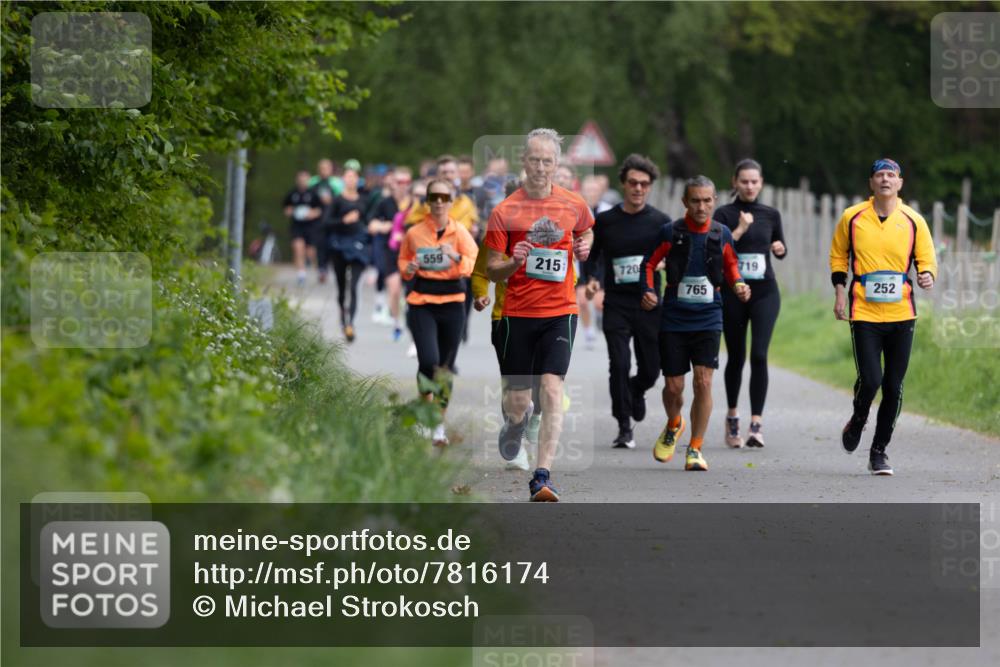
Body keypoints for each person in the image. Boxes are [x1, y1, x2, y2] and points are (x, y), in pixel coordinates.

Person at [485, 128, 594, 502]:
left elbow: (588, 230)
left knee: (551, 388)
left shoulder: (574, 204)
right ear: (524, 162)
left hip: (560, 311)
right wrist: (512, 264)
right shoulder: (505, 211)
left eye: (548, 161)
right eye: (535, 160)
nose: (541, 167)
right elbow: (491, 268)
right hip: (517, 313)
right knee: (518, 401)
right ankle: (515, 425)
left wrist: (584, 246)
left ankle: (542, 476)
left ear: (557, 164)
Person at [829, 158, 936, 476]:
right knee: (871, 379)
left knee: (894, 385)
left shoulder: (913, 220)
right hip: (864, 311)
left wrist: (927, 274)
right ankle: (859, 417)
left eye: (891, 175)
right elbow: (839, 254)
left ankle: (879, 451)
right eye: (880, 175)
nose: (886, 179)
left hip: (902, 313)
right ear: (871, 183)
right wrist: (839, 291)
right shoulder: (852, 217)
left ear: (900, 183)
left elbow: (926, 257)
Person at [641, 176, 750, 471]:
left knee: (703, 382)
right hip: (674, 317)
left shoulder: (722, 232)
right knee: (674, 387)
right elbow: (648, 265)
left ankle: (696, 449)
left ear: (714, 200)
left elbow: (731, 265)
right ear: (685, 202)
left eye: (707, 200)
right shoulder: (671, 232)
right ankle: (675, 422)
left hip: (709, 316)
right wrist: (648, 290)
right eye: (695, 201)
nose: (701, 206)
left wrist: (739, 284)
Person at [584, 154, 670, 449]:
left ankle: (637, 389)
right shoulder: (606, 221)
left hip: (648, 304)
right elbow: (592, 257)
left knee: (651, 369)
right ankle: (623, 425)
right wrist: (593, 279)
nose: (638, 188)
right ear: (623, 184)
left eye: (644, 184)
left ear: (650, 187)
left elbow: (673, 258)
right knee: (619, 363)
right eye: (632, 182)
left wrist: (661, 266)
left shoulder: (661, 222)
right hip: (617, 303)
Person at [398, 178, 478, 447]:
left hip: (453, 302)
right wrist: (408, 269)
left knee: (444, 368)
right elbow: (403, 260)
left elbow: (474, 262)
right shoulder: (415, 232)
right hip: (422, 302)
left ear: (452, 201)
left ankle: (438, 424)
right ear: (428, 202)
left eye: (445, 197)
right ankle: (424, 413)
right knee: (428, 360)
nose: (440, 202)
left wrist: (454, 257)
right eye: (435, 197)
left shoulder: (461, 233)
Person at [713, 159, 787, 448]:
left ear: (761, 183)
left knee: (759, 354)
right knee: (736, 356)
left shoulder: (770, 214)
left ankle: (756, 423)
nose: (749, 186)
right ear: (735, 183)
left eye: (754, 181)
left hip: (765, 291)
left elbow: (779, 246)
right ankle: (733, 417)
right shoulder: (724, 213)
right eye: (744, 181)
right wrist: (740, 229)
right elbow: (717, 250)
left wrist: (780, 248)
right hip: (733, 292)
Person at [368, 167, 413, 339]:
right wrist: (383, 226)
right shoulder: (384, 203)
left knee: (410, 292)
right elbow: (371, 225)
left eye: (406, 182)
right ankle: (396, 322)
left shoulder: (414, 204)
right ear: (393, 183)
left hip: (411, 252)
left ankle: (411, 320)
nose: (403, 186)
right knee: (394, 289)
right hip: (389, 250)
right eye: (400, 182)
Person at [326, 166, 369, 342]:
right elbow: (326, 222)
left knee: (354, 286)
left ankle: (350, 323)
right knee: (343, 287)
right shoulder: (337, 201)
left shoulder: (364, 200)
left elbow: (369, 220)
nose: (350, 180)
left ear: (357, 180)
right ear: (343, 179)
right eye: (347, 176)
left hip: (358, 245)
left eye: (354, 177)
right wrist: (343, 221)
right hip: (340, 245)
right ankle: (343, 318)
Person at [577, 175, 611, 349]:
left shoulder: (608, 210)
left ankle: (599, 316)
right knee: (582, 300)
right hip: (582, 259)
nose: (591, 193)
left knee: (599, 301)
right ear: (582, 192)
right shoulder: (577, 210)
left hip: (601, 260)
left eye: (594, 190)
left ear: (600, 192)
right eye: (588, 190)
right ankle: (589, 330)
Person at [282, 170, 323, 286]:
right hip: (297, 226)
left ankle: (317, 268)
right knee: (298, 247)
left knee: (310, 252)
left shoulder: (314, 194)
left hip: (311, 226)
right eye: (301, 179)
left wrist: (312, 213)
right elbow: (286, 208)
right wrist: (290, 211)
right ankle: (301, 274)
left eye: (305, 179)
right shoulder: (292, 194)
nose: (302, 182)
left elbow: (320, 210)